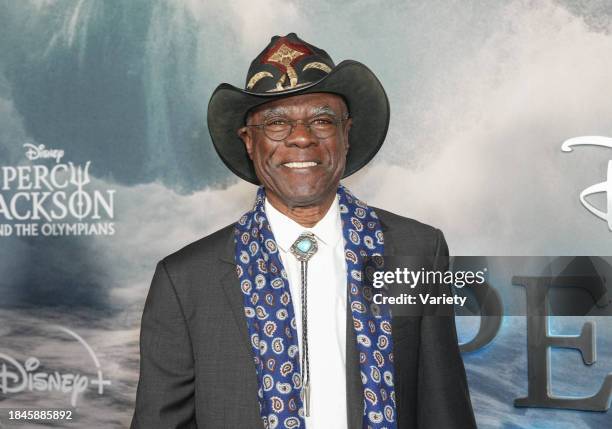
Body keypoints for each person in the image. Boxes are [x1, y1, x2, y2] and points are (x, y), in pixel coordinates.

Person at [131, 33, 476, 429]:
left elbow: (444, 408)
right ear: (249, 141)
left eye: (322, 120)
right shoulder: (186, 280)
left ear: (346, 134)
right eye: (277, 122)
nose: (301, 137)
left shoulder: (416, 250)